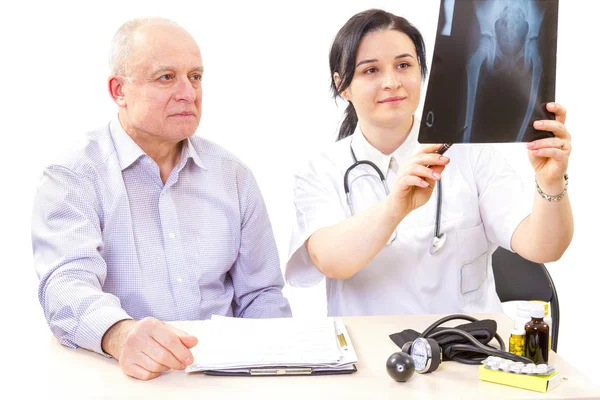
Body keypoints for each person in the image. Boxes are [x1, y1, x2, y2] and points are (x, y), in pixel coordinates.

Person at [31, 17, 292, 381]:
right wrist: (119, 334)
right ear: (119, 90)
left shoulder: (233, 175)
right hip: (119, 376)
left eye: (196, 76)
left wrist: (272, 368)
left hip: (222, 377)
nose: (189, 92)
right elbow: (64, 286)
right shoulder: (74, 175)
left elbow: (262, 295)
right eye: (166, 77)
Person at [285, 9, 573, 317]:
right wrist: (396, 207)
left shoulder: (471, 154)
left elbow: (545, 248)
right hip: (368, 356)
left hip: (467, 350)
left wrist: (551, 182)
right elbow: (330, 261)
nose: (392, 82)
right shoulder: (320, 171)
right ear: (343, 86)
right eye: (371, 71)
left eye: (404, 65)